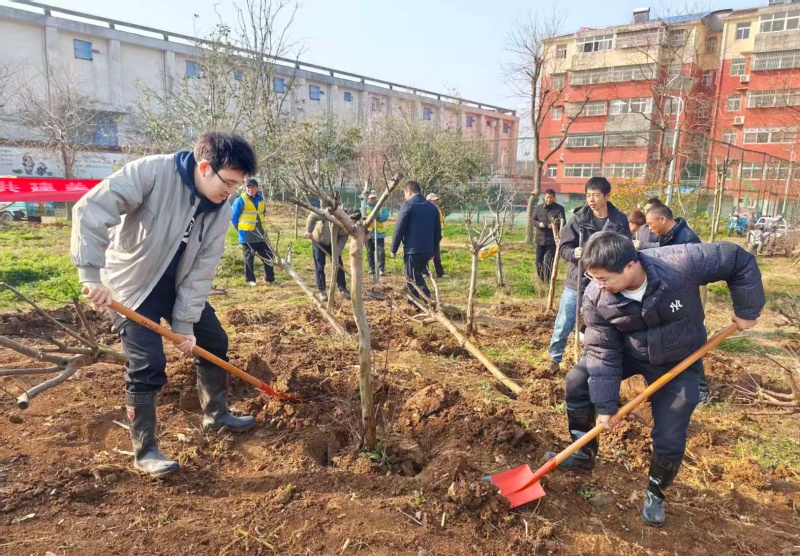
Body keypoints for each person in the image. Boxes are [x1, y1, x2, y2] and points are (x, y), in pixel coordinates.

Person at [546, 231, 764, 526]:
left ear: (630, 265)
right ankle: (583, 453)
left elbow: (737, 259)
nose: (598, 285)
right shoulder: (596, 297)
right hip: (629, 352)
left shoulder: (680, 263)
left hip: (678, 359)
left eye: (605, 278)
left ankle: (656, 491)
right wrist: (606, 406)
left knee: (671, 434)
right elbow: (602, 352)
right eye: (594, 278)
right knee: (578, 379)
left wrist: (747, 309)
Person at [73, 132, 258, 478]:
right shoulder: (153, 172)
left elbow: (203, 268)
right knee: (148, 363)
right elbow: (93, 207)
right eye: (228, 182)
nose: (229, 192)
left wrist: (185, 325)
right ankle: (145, 451)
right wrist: (90, 273)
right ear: (205, 167)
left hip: (178, 285)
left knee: (213, 341)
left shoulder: (218, 211)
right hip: (131, 287)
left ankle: (216, 415)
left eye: (237, 185)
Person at [548, 177, 630, 373]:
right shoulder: (579, 219)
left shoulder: (619, 221)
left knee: (596, 324)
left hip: (605, 283)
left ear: (607, 196)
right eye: (588, 195)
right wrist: (573, 253)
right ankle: (554, 359)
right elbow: (564, 247)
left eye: (595, 195)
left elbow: (625, 248)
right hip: (578, 278)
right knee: (564, 321)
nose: (591, 199)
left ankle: (587, 361)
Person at [644, 203, 710, 402]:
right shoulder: (667, 237)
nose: (649, 228)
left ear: (662, 219)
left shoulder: (687, 239)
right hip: (668, 299)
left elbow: (698, 272)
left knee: (690, 344)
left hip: (684, 302)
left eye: (650, 223)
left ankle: (702, 391)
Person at [391, 181, 441, 302]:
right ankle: (414, 302)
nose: (405, 196)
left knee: (412, 276)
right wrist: (434, 251)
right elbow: (437, 233)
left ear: (409, 191)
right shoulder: (432, 208)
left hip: (413, 249)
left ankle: (426, 300)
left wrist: (394, 248)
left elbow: (399, 228)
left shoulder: (408, 205)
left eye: (405, 193)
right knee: (413, 275)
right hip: (428, 250)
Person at [231, 178, 275, 286]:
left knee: (268, 256)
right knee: (249, 258)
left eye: (252, 187)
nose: (250, 189)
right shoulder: (240, 200)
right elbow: (233, 217)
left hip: (261, 234)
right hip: (247, 235)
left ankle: (270, 279)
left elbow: (262, 214)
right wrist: (240, 229)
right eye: (248, 187)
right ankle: (250, 279)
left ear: (257, 188)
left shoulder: (261, 200)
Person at [305, 212, 350, 302]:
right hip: (319, 240)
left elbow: (342, 240)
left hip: (333, 244)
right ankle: (322, 291)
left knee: (338, 264)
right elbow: (312, 216)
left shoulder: (347, 226)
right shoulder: (327, 213)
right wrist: (309, 231)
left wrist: (335, 254)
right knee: (320, 266)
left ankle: (342, 288)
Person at [531, 189, 566, 282]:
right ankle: (541, 279)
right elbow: (533, 220)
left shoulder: (559, 209)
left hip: (552, 240)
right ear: (544, 197)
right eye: (547, 197)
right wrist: (539, 224)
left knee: (548, 261)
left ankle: (548, 280)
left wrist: (555, 225)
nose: (549, 199)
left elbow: (563, 222)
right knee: (538, 261)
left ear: (554, 198)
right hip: (540, 239)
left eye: (551, 197)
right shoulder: (538, 208)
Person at [361, 189, 389, 276]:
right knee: (369, 251)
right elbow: (362, 217)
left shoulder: (381, 207)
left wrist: (377, 214)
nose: (373, 199)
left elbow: (384, 217)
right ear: (368, 198)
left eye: (374, 198)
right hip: (368, 233)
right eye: (371, 198)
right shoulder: (364, 208)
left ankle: (381, 269)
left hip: (379, 233)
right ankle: (371, 268)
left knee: (380, 251)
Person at [425, 193, 446, 278]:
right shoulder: (427, 210)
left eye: (437, 200)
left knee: (436, 255)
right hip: (430, 236)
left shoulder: (437, 209)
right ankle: (424, 272)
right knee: (426, 254)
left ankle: (439, 273)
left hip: (437, 236)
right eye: (434, 200)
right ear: (429, 201)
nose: (437, 201)